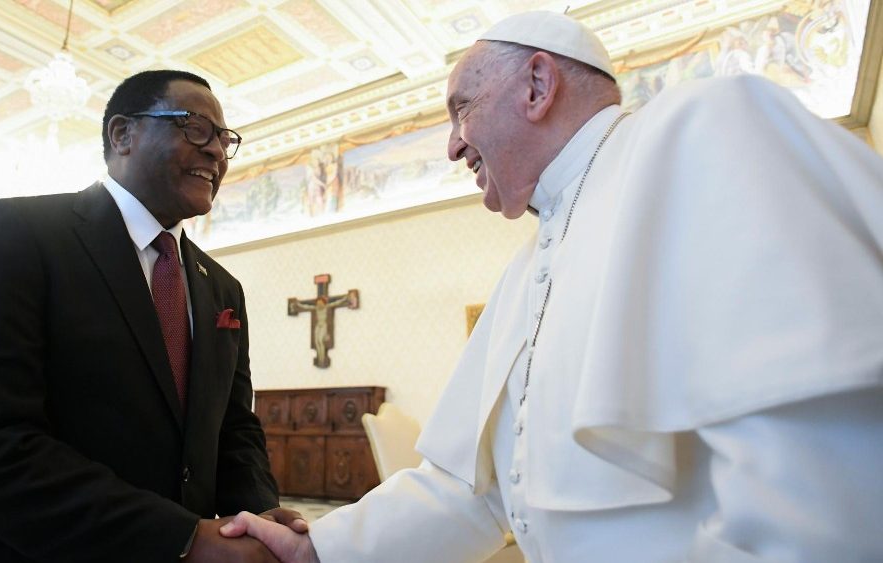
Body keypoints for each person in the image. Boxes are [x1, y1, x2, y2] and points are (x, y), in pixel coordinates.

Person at [218, 10, 883, 562]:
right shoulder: (522, 272)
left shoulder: (703, 127)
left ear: (537, 85)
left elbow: (826, 474)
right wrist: (317, 551)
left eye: (461, 110)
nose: (451, 147)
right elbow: (470, 491)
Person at [0, 70, 305, 562]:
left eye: (225, 140)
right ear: (122, 134)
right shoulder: (13, 233)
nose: (215, 151)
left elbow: (232, 426)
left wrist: (258, 513)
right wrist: (181, 540)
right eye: (195, 127)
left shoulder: (223, 287)